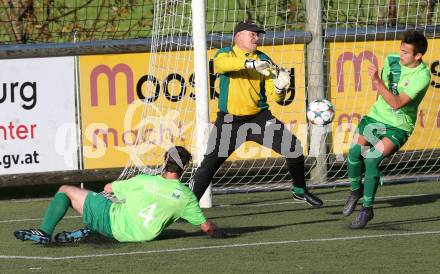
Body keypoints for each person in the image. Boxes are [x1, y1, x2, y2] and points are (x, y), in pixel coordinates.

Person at [191, 21, 323, 207]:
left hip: (259, 118)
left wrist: (279, 88)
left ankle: (299, 191)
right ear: (238, 37)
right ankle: (188, 205)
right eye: (252, 34)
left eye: (258, 34)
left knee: (294, 148)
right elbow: (222, 65)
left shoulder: (265, 60)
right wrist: (251, 64)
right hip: (230, 122)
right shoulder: (226, 53)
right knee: (209, 165)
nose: (257, 37)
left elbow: (276, 98)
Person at [14, 146, 228, 244]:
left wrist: (118, 188)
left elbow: (108, 188)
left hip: (112, 222)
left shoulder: (143, 180)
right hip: (138, 237)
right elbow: (207, 227)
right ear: (185, 168)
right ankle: (88, 232)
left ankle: (44, 231)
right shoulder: (186, 197)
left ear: (165, 161)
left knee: (66, 191)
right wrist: (219, 233)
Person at [342, 30, 431, 229]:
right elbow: (382, 92)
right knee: (355, 153)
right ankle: (355, 191)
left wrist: (376, 80)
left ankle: (367, 209)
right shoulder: (391, 60)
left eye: (406, 53)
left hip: (399, 126)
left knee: (372, 158)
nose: (401, 55)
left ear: (418, 56)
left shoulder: (422, 76)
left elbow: (397, 103)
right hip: (376, 117)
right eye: (401, 50)